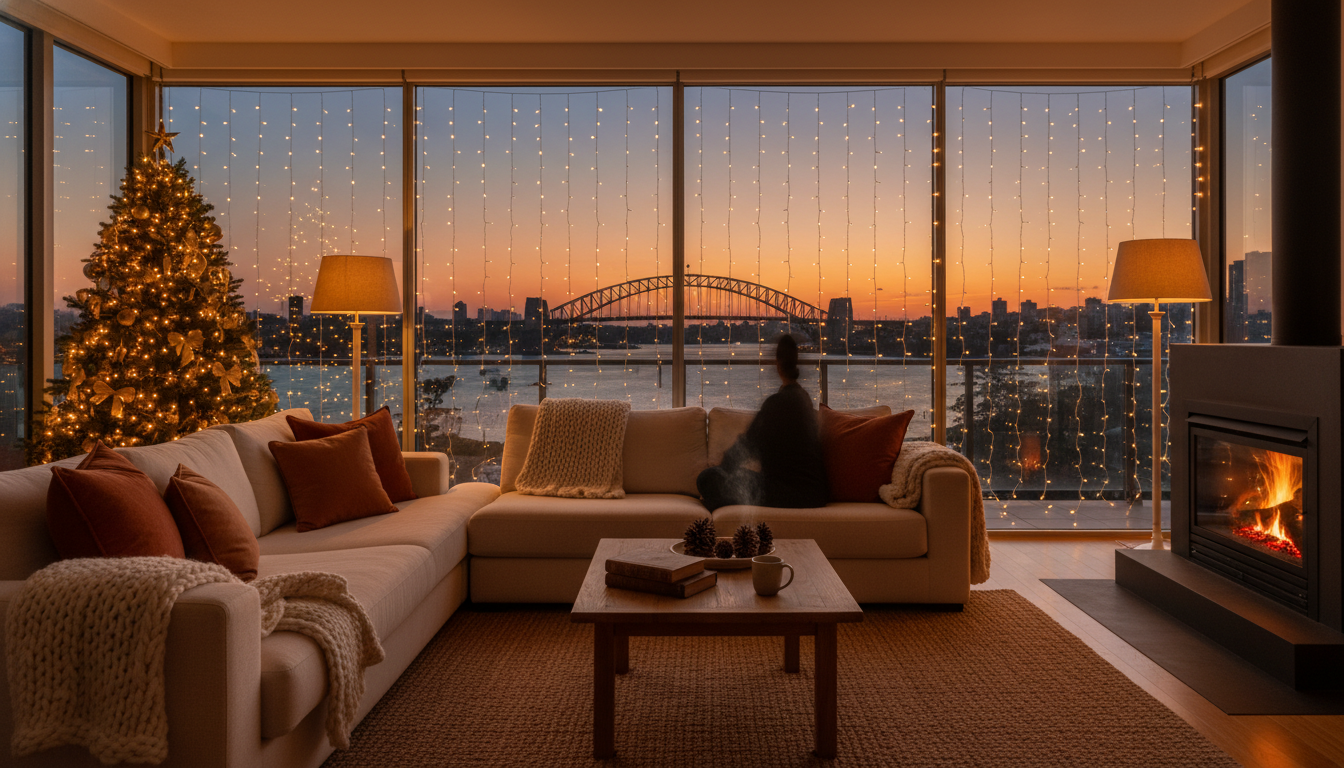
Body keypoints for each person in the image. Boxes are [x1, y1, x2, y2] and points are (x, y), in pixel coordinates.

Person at [696, 335, 829, 511]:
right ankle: (724, 501)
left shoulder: (777, 402)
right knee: (732, 479)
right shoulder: (803, 399)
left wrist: (722, 468)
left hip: (789, 493)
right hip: (814, 493)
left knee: (707, 478)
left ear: (778, 364)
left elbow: (747, 444)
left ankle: (720, 502)